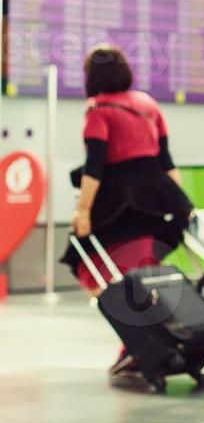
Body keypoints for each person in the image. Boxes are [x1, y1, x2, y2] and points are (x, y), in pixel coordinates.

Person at [61, 45, 192, 380]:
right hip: (158, 198)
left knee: (85, 263)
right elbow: (166, 161)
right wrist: (181, 203)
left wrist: (83, 211)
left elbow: (95, 167)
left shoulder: (98, 110)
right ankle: (149, 340)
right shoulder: (148, 103)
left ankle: (137, 342)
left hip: (119, 201)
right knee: (146, 271)